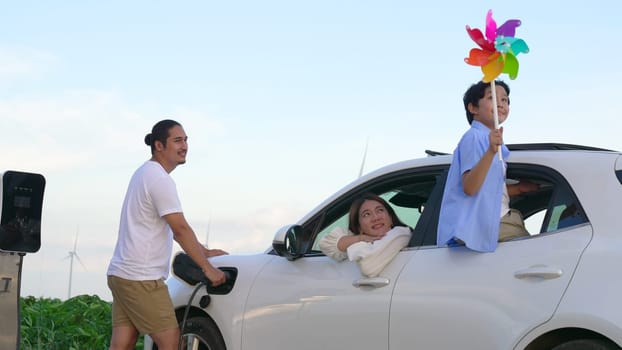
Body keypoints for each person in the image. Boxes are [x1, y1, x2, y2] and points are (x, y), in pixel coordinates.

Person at [107, 119, 227, 350]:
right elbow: (180, 229)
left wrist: (204, 251)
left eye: (185, 140)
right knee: (171, 341)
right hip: (141, 278)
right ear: (159, 146)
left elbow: (167, 228)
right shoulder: (160, 179)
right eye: (177, 140)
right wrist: (207, 267)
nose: (184, 146)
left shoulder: (144, 173)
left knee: (123, 343)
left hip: (122, 274)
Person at [437, 80, 538, 253]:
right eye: (492, 97)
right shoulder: (475, 137)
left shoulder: (488, 140)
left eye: (505, 100)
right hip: (492, 221)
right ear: (473, 108)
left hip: (493, 219)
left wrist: (519, 188)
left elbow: (487, 188)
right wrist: (491, 152)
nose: (500, 103)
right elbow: (470, 187)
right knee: (537, 256)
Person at [319, 192, 411, 277]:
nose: (375, 218)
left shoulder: (401, 233)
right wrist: (360, 238)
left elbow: (369, 267)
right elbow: (327, 244)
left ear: (390, 217)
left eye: (379, 210)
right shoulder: (369, 244)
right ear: (359, 227)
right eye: (366, 214)